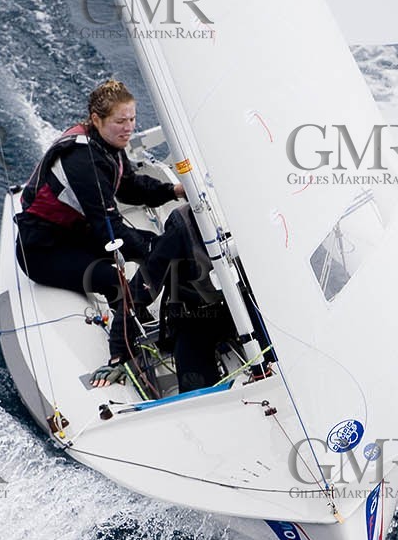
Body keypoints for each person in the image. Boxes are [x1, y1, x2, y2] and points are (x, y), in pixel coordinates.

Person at [15, 80, 183, 309]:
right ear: (96, 119)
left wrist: (173, 191)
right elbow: (109, 230)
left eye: (132, 119)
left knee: (155, 247)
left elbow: (129, 188)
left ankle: (175, 313)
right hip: (41, 251)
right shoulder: (84, 162)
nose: (129, 128)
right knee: (113, 280)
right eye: (120, 121)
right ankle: (131, 337)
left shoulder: (108, 143)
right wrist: (158, 251)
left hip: (73, 234)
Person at [93, 204, 237, 393]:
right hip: (197, 317)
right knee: (195, 390)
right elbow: (141, 288)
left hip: (248, 306)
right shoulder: (180, 228)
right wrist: (118, 354)